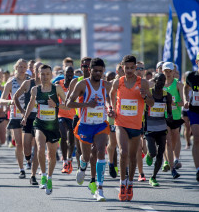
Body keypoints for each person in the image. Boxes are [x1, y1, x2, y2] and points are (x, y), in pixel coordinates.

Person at [110, 55, 154, 201]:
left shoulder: (143, 83)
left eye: (131, 68)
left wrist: (145, 97)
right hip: (120, 123)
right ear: (122, 67)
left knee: (133, 157)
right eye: (126, 68)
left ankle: (130, 183)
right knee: (123, 152)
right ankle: (122, 183)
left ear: (136, 68)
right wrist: (112, 109)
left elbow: (152, 103)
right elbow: (111, 95)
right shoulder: (118, 82)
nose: (128, 70)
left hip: (135, 125)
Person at [67, 58, 112, 201]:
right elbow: (69, 103)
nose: (98, 73)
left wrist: (111, 108)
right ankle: (82, 165)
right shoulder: (82, 84)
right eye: (95, 70)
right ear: (89, 70)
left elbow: (113, 99)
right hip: (85, 125)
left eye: (101, 71)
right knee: (86, 156)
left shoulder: (106, 85)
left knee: (100, 151)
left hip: (101, 125)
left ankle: (99, 188)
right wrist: (86, 104)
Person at [21, 64, 67, 195]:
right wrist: (25, 117)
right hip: (39, 124)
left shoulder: (57, 88)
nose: (45, 76)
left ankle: (50, 178)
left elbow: (69, 106)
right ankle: (43, 175)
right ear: (38, 75)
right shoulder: (35, 90)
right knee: (40, 148)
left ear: (51, 75)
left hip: (53, 126)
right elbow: (31, 103)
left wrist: (56, 104)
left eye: (47, 74)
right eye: (42, 74)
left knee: (52, 155)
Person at [13, 61, 42, 185]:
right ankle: (28, 159)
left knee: (38, 147)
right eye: (37, 69)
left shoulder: (49, 86)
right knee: (26, 146)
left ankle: (33, 175)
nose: (40, 72)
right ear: (34, 71)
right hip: (28, 118)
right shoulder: (28, 83)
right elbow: (15, 97)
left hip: (41, 119)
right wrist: (22, 111)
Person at [0, 59, 28, 179]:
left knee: (29, 142)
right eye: (20, 67)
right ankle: (21, 169)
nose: (22, 69)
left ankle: (29, 160)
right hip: (15, 115)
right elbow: (1, 100)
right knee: (19, 144)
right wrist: (10, 101)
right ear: (15, 68)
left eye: (24, 67)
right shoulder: (11, 83)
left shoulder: (30, 82)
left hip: (28, 115)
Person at [144, 73, 173, 186]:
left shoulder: (167, 96)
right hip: (149, 126)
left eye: (163, 80)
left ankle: (153, 177)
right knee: (153, 153)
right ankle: (149, 155)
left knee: (160, 153)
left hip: (161, 126)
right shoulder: (149, 93)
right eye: (158, 80)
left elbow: (169, 112)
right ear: (154, 81)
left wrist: (170, 117)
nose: (161, 82)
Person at [162, 62, 184, 178]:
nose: (168, 73)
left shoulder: (178, 85)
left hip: (175, 118)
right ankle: (172, 169)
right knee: (168, 142)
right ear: (162, 72)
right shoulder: (160, 85)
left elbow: (183, 102)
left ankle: (168, 160)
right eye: (166, 71)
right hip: (164, 117)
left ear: (174, 72)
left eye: (170, 71)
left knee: (174, 143)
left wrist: (173, 103)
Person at [56, 66, 76, 174]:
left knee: (71, 141)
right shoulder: (59, 84)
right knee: (63, 136)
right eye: (67, 72)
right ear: (64, 73)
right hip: (61, 115)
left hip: (72, 116)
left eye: (71, 72)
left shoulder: (76, 84)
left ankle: (69, 159)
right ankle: (64, 161)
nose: (69, 74)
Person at [183, 52, 199, 182]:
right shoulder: (191, 76)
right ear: (197, 62)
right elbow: (186, 87)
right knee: (197, 137)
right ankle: (198, 169)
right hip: (194, 110)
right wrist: (186, 99)